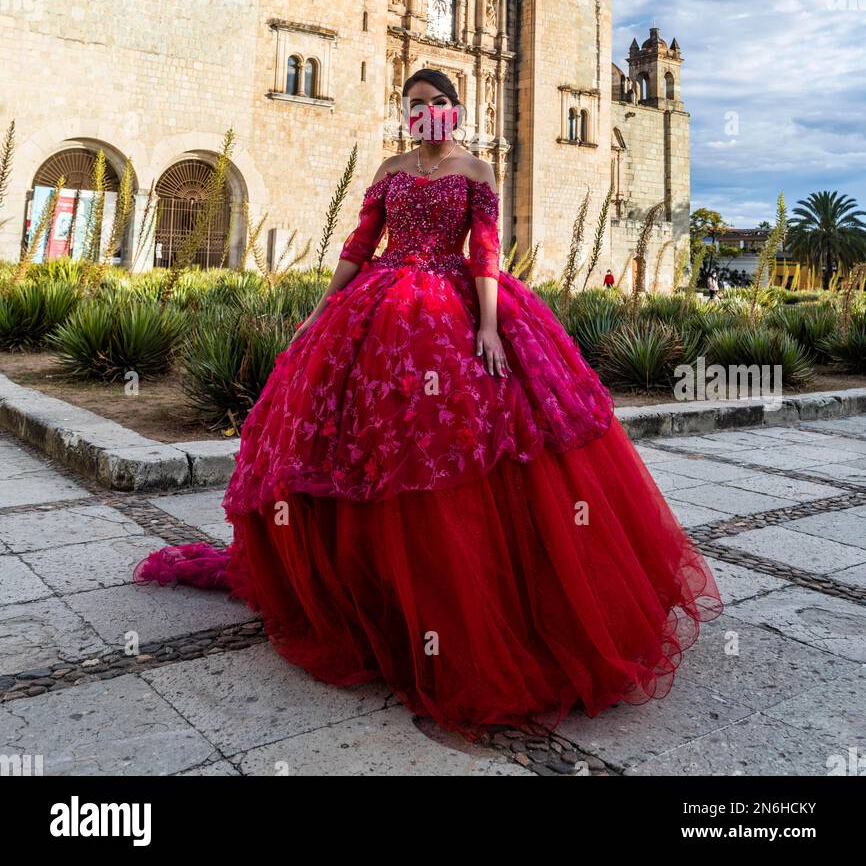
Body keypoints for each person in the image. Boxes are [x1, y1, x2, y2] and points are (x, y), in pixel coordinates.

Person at [134, 68, 722, 739]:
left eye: (441, 102)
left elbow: (487, 256)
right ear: (406, 112)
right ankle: (375, 602)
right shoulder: (389, 167)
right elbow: (360, 245)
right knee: (368, 443)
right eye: (417, 104)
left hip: (456, 306)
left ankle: (484, 609)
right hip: (378, 309)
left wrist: (492, 327)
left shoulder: (477, 171)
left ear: (458, 109)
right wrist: (321, 309)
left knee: (474, 442)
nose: (430, 112)